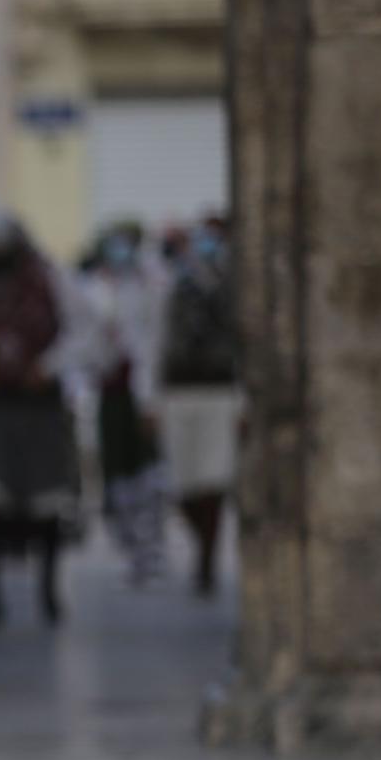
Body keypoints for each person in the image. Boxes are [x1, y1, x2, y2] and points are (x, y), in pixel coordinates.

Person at [0, 213, 79, 626]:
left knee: (46, 503)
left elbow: (79, 330)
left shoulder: (50, 281)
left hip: (39, 406)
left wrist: (47, 368)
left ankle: (48, 591)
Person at [79, 222, 171, 587]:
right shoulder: (96, 288)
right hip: (108, 392)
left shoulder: (153, 285)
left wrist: (151, 400)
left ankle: (150, 549)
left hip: (141, 394)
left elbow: (153, 345)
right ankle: (130, 544)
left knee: (146, 470)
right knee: (115, 471)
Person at [158, 215, 239, 594]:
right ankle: (200, 542)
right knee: (183, 484)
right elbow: (156, 338)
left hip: (219, 389)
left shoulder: (234, 283)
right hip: (179, 389)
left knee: (214, 479)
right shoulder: (172, 280)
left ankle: (207, 557)